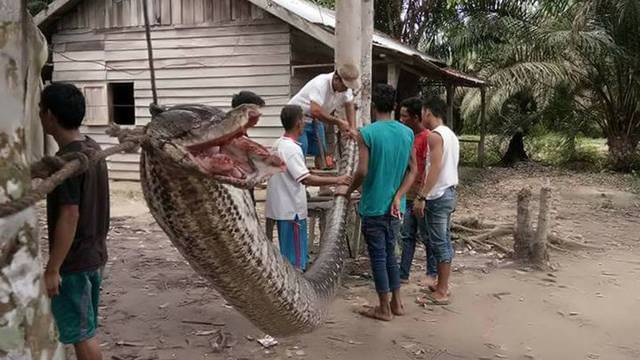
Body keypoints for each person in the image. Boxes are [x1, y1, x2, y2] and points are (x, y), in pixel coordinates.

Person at [40, 83, 109, 360]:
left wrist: (53, 268)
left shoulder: (67, 161)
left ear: (51, 116)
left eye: (40, 110)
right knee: (85, 328)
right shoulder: (92, 149)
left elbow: (70, 214)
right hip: (95, 254)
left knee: (83, 335)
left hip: (75, 262)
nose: (39, 115)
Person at [338, 84, 417, 321]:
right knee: (391, 254)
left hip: (373, 205)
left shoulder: (368, 133)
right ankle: (397, 303)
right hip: (396, 207)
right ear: (394, 106)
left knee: (379, 256)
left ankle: (383, 308)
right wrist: (399, 194)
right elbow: (413, 170)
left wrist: (349, 189)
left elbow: (361, 170)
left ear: (373, 107)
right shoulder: (407, 132)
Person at [266, 105, 351, 271]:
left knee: (287, 254)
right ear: (298, 123)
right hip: (292, 210)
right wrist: (337, 179)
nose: (305, 124)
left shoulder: (278, 144)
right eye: (303, 120)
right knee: (296, 260)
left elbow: (295, 172)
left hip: (281, 208)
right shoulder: (292, 149)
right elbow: (306, 179)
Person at [413, 96, 460, 305]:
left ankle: (442, 289)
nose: (421, 116)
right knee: (442, 239)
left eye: (423, 112)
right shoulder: (450, 135)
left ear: (428, 112)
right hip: (448, 191)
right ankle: (441, 283)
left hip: (438, 194)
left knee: (440, 241)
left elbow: (436, 168)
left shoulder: (435, 136)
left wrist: (422, 195)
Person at [287, 64, 359, 194]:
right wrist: (338, 122)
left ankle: (323, 187)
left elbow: (349, 105)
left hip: (317, 118)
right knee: (300, 150)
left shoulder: (345, 88)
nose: (345, 90)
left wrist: (352, 127)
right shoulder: (320, 83)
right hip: (298, 118)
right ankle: (301, 188)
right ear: (336, 78)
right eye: (344, 86)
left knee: (322, 152)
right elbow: (315, 110)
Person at [397, 97, 438, 286]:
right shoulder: (406, 136)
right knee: (407, 235)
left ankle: (432, 272)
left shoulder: (427, 138)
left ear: (415, 117)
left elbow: (428, 169)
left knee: (426, 236)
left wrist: (421, 196)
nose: (401, 119)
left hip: (421, 196)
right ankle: (403, 273)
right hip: (407, 194)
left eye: (405, 116)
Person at [231, 90, 266, 206]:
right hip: (238, 197)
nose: (259, 114)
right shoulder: (232, 136)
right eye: (255, 110)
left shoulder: (241, 133)